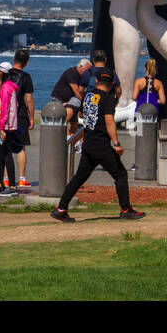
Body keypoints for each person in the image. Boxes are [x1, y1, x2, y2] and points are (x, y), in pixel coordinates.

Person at [50, 68, 144, 223]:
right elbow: (109, 122)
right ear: (112, 83)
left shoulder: (88, 95)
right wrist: (116, 143)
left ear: (97, 81)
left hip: (88, 142)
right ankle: (126, 210)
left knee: (79, 178)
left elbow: (80, 115)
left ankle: (61, 209)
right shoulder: (107, 99)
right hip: (101, 144)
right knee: (120, 174)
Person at [0, 60, 22, 193]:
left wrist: (1, 128)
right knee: (0, 154)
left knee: (5, 154)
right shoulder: (10, 86)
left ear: (2, 73)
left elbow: (4, 109)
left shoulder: (5, 88)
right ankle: (0, 183)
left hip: (1, 125)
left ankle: (11, 186)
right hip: (3, 124)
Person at [9, 48, 34, 190]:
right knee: (20, 147)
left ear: (13, 58)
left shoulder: (5, 74)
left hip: (6, 115)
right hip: (20, 115)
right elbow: (29, 99)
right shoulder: (26, 77)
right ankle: (22, 178)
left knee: (6, 148)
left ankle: (6, 178)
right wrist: (31, 117)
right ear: (27, 63)